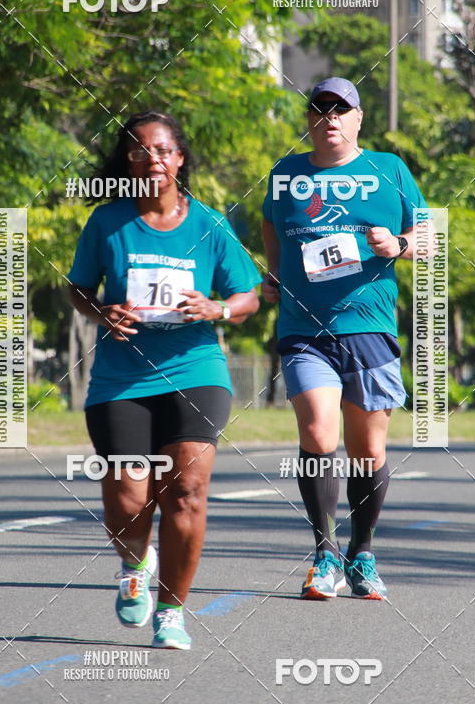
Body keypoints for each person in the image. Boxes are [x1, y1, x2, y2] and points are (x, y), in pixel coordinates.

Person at [68, 111, 260, 649]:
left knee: (188, 491)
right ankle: (134, 564)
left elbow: (246, 294)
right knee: (129, 498)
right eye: (137, 152)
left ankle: (172, 610)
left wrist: (217, 308)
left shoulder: (209, 225)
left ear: (178, 158)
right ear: (127, 163)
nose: (149, 159)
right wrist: (100, 311)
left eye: (160, 150)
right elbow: (78, 288)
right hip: (121, 375)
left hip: (195, 368)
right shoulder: (107, 223)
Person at [262, 77, 430, 601]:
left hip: (370, 327)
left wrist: (398, 243)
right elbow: (269, 223)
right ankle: (323, 553)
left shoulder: (390, 170)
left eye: (341, 109)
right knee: (317, 432)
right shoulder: (285, 174)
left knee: (368, 449)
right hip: (303, 328)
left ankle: (362, 552)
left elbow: (430, 238)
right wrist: (273, 272)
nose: (330, 117)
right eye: (320, 108)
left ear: (359, 119)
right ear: (309, 119)